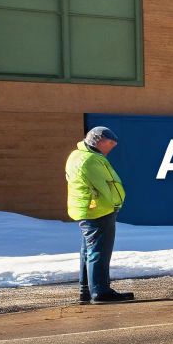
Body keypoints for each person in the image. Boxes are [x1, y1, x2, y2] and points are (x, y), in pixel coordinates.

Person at [66, 126, 133, 304]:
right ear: (99, 140)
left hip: (87, 209)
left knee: (88, 251)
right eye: (110, 143)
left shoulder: (78, 156)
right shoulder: (90, 160)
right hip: (98, 210)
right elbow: (104, 186)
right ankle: (100, 291)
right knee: (99, 251)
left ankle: (86, 290)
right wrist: (115, 203)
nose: (112, 147)